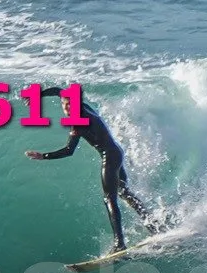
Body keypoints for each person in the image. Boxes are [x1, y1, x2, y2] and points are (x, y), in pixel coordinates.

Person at [28, 89, 149, 252]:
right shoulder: (84, 107)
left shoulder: (78, 120)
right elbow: (58, 91)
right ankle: (153, 223)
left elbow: (69, 150)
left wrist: (44, 156)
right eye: (65, 104)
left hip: (110, 156)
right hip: (116, 152)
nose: (67, 107)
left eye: (70, 104)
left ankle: (119, 243)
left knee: (109, 199)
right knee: (123, 192)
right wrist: (39, 95)